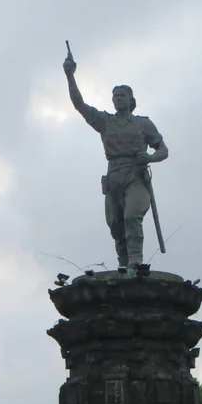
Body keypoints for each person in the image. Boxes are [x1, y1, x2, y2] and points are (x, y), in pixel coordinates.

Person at [63, 54, 169, 272]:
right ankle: (123, 263)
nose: (119, 99)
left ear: (131, 100)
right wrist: (70, 76)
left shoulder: (143, 123)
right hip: (113, 177)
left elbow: (163, 150)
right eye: (116, 96)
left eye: (123, 96)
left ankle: (135, 260)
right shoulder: (105, 122)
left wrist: (150, 157)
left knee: (132, 216)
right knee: (116, 225)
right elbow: (79, 104)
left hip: (136, 176)